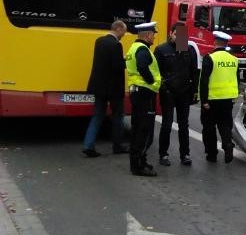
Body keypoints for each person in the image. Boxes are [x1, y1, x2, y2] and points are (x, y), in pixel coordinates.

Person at [154, 22, 200, 167]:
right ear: (171, 33)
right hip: (168, 92)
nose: (181, 38)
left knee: (183, 125)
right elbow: (157, 72)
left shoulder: (188, 49)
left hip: (184, 92)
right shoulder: (161, 49)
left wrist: (193, 92)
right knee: (167, 124)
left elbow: (194, 71)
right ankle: (163, 154)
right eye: (177, 35)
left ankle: (185, 154)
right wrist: (163, 88)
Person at [83, 20, 129, 157]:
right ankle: (118, 145)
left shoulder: (99, 41)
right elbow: (116, 66)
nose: (124, 35)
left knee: (97, 116)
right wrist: (126, 60)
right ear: (119, 29)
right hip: (113, 88)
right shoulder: (116, 44)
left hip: (99, 86)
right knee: (117, 116)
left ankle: (88, 144)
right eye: (124, 32)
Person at [125, 22, 162, 177]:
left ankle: (138, 162)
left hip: (137, 92)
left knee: (137, 128)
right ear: (148, 35)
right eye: (153, 33)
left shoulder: (133, 47)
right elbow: (142, 66)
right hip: (144, 93)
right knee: (144, 131)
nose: (154, 36)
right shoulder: (143, 49)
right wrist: (151, 81)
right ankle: (139, 165)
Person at [200, 31, 239, 163]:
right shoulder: (234, 59)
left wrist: (204, 100)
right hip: (228, 99)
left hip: (212, 100)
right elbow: (236, 79)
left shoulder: (210, 58)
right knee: (225, 126)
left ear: (215, 42)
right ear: (226, 43)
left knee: (209, 128)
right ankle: (228, 146)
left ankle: (212, 154)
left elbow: (203, 81)